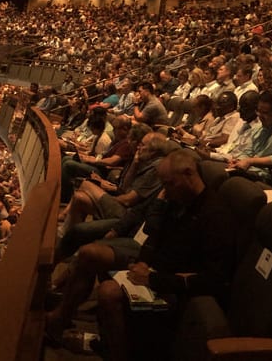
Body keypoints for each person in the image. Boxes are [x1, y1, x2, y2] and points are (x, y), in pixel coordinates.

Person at [46, 149, 236, 360]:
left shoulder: (216, 215)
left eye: (169, 184)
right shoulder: (176, 200)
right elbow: (154, 236)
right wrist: (144, 261)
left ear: (189, 173)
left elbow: (215, 279)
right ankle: (60, 320)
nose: (165, 191)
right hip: (158, 268)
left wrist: (153, 278)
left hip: (179, 287)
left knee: (109, 291)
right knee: (90, 253)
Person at [228, 91, 272, 185]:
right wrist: (239, 161)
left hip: (269, 177)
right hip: (251, 171)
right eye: (258, 111)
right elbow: (247, 152)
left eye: (265, 112)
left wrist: (249, 161)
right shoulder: (258, 127)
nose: (259, 115)